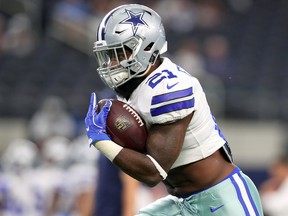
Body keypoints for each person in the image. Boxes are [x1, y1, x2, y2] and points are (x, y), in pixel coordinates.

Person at [84, 4, 263, 215]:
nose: (113, 63)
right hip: (182, 202)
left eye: (119, 53)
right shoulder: (132, 85)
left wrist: (101, 140)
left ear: (146, 47)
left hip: (221, 199)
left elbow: (153, 172)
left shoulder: (169, 88)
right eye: (109, 55)